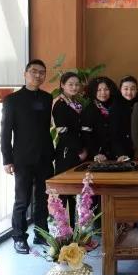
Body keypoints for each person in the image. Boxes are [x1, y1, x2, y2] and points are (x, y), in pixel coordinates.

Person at [0, 59, 54, 254]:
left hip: (45, 156)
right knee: (22, 199)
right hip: (22, 158)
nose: (38, 75)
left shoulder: (47, 98)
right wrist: (7, 159)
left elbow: (46, 128)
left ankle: (41, 234)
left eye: (42, 72)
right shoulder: (12, 100)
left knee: (43, 198)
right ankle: (19, 237)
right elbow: (5, 132)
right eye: (34, 71)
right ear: (25, 74)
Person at [52, 72, 86, 228]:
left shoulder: (76, 103)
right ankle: (62, 231)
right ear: (62, 85)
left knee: (75, 191)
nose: (74, 87)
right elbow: (63, 132)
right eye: (70, 84)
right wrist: (79, 150)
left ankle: (75, 230)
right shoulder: (60, 104)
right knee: (64, 192)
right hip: (67, 152)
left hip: (77, 152)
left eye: (77, 84)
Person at [81, 76, 119, 162]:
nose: (103, 93)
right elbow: (86, 135)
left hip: (115, 155)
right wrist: (95, 153)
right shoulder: (89, 109)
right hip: (97, 157)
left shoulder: (116, 107)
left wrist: (120, 153)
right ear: (94, 91)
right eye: (99, 90)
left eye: (106, 89)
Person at [110, 75, 138, 160]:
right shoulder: (115, 106)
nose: (129, 92)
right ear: (120, 90)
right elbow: (113, 134)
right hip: (121, 150)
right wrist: (120, 153)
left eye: (133, 89)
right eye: (126, 89)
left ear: (137, 90)